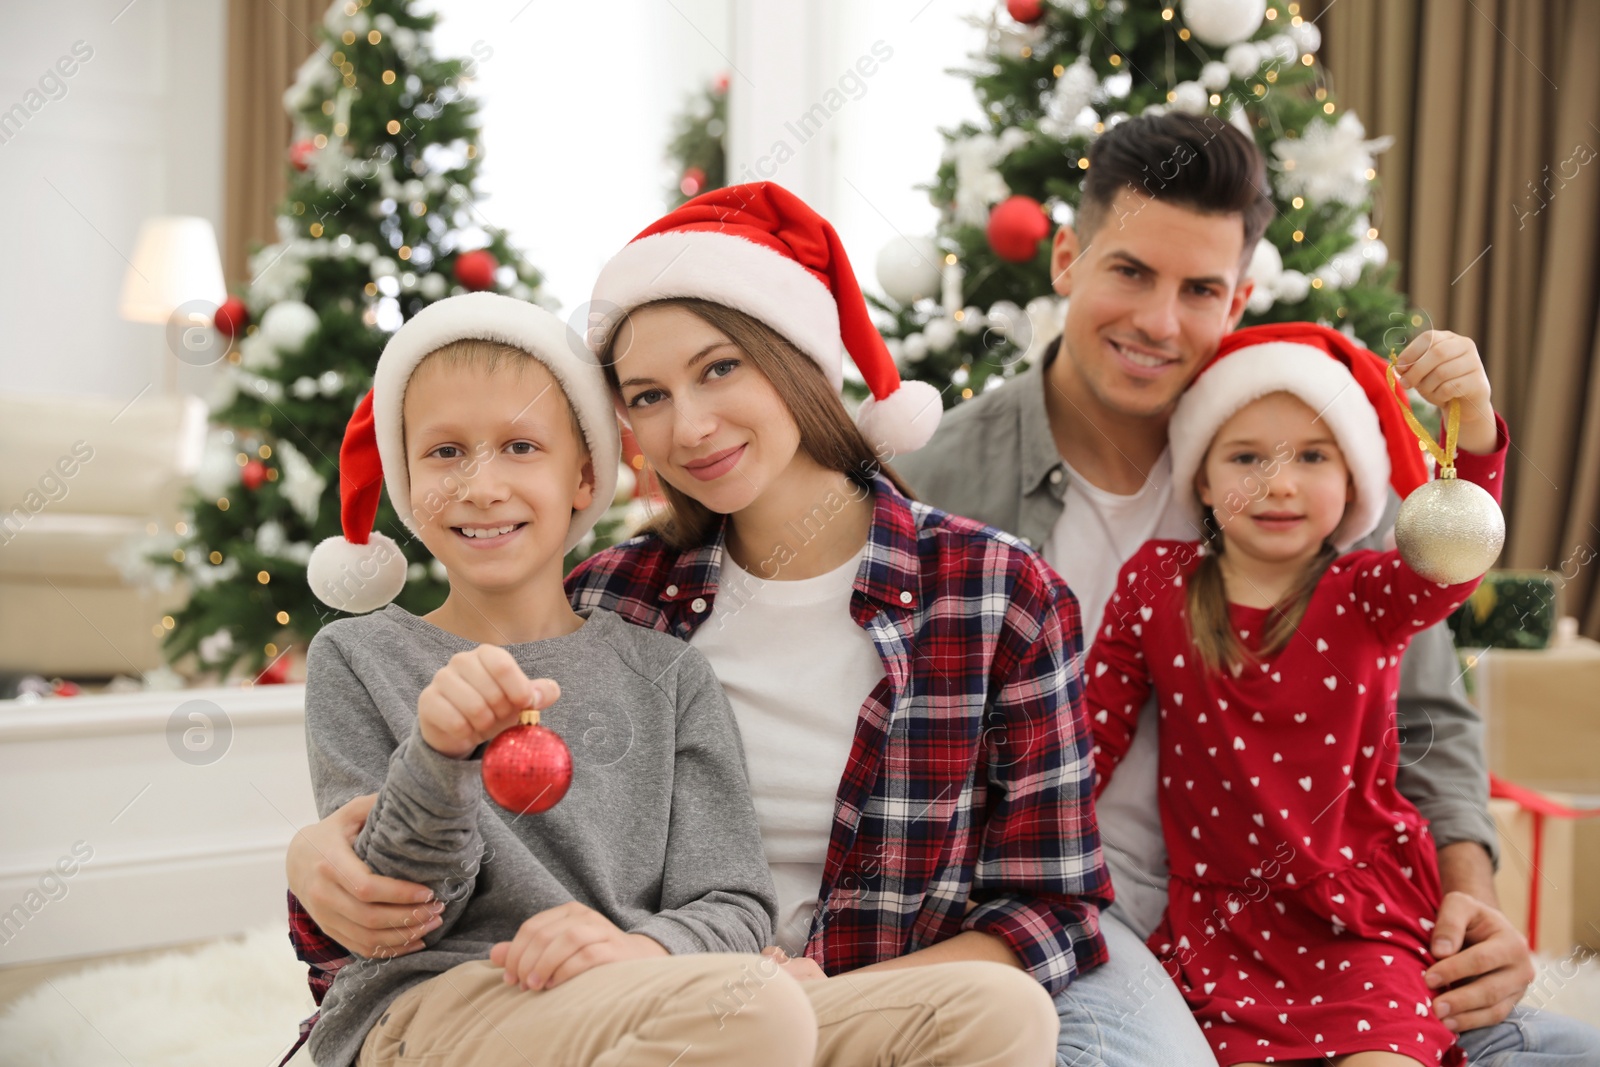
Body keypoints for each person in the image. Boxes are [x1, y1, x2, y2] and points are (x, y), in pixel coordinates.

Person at [282, 190, 1073, 1066]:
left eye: (722, 368)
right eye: (649, 394)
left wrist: (672, 955)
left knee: (1004, 1011)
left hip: (751, 988)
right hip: (568, 1002)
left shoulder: (991, 592)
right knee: (752, 1016)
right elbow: (374, 918)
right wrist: (329, 841)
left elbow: (1045, 905)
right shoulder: (621, 590)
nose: (690, 426)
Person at [894, 111, 1600, 1064]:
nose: (1159, 321)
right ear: (1065, 258)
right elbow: (1045, 746)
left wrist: (1470, 900)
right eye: (1130, 271)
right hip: (1090, 927)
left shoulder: (1316, 475)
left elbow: (1431, 710)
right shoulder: (939, 481)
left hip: (1347, 922)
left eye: (1201, 290)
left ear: (1241, 300)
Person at [292, 292, 806, 1067]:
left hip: (640, 994)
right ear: (403, 479)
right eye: (444, 452)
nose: (481, 485)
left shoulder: (668, 673)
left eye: (521, 447)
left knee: (988, 1010)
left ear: (583, 475)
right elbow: (397, 915)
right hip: (435, 1006)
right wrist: (440, 754)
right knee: (762, 1015)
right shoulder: (357, 657)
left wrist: (642, 949)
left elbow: (733, 904)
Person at [1089, 322, 1505, 1065]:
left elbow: (1458, 549)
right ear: (1204, 481)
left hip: (1361, 919)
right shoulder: (1156, 583)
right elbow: (1090, 736)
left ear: (1353, 480)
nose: (1278, 483)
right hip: (1218, 927)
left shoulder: (1373, 592)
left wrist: (1470, 414)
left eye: (1312, 456)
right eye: (1247, 456)